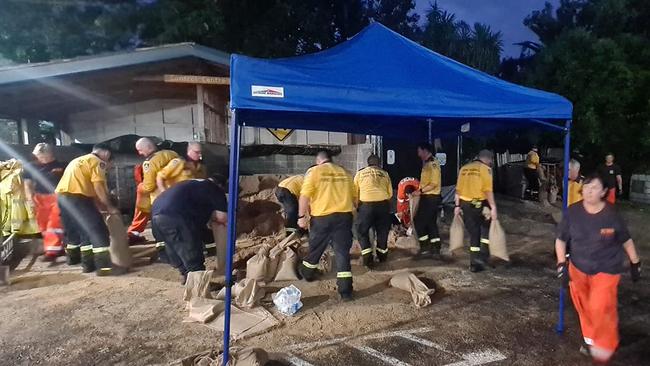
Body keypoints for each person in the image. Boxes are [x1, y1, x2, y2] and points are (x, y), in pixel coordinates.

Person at [555, 174, 641, 364]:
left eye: (594, 187)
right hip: (578, 267)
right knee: (584, 307)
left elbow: (626, 240)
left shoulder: (612, 215)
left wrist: (635, 262)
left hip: (606, 268)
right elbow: (561, 240)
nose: (589, 191)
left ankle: (604, 350)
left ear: (603, 192)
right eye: (586, 187)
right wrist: (562, 265)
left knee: (600, 307)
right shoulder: (572, 212)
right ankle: (590, 341)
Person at [297, 150, 355, 301]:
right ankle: (345, 291)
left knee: (316, 248)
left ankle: (307, 274)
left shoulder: (314, 172)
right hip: (344, 217)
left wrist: (302, 217)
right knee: (342, 253)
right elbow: (355, 198)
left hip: (322, 219)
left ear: (318, 161)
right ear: (331, 159)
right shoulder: (345, 173)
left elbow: (304, 196)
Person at [55, 143, 119, 275]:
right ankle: (104, 268)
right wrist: (110, 207)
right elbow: (98, 188)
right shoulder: (97, 162)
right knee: (98, 230)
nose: (107, 167)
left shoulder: (78, 160)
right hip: (78, 198)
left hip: (63, 198)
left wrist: (100, 207)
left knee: (81, 231)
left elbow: (92, 192)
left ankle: (81, 263)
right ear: (106, 154)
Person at [151, 175, 227, 284]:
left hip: (156, 215)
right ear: (221, 185)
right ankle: (199, 289)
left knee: (174, 248)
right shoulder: (214, 189)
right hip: (175, 216)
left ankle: (189, 279)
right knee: (192, 253)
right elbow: (222, 218)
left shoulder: (192, 184)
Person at [127, 137, 179, 249]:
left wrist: (141, 186)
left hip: (160, 199)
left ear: (149, 147)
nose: (139, 153)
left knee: (159, 229)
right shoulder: (172, 154)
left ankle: (163, 250)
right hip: (177, 193)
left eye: (140, 150)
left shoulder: (150, 162)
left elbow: (149, 186)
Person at [454, 149, 497, 272]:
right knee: (482, 231)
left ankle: (475, 262)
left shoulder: (464, 168)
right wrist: (493, 207)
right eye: (491, 160)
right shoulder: (486, 170)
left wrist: (457, 206)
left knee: (474, 233)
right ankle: (480, 259)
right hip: (479, 204)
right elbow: (488, 191)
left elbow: (458, 190)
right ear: (488, 159)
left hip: (465, 204)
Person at [23, 143, 67, 261]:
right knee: (43, 225)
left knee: (54, 224)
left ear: (50, 154)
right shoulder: (30, 167)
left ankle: (51, 252)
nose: (42, 159)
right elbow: (27, 184)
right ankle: (57, 247)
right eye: (39, 156)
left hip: (57, 197)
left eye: (44, 156)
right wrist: (30, 198)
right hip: (39, 198)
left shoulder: (62, 166)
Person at [354, 154, 393, 268]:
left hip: (366, 206)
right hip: (383, 205)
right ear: (379, 164)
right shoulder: (385, 174)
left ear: (368, 163)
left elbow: (355, 193)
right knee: (382, 232)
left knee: (361, 231)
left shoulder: (360, 173)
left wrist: (357, 208)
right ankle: (382, 257)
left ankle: (367, 258)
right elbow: (390, 194)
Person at [412, 143, 443, 259]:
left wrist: (419, 191)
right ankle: (435, 249)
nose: (418, 153)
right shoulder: (427, 164)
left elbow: (434, 184)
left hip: (431, 198)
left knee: (419, 222)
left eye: (419, 151)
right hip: (427, 197)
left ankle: (425, 248)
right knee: (431, 223)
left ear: (425, 151)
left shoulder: (433, 165)